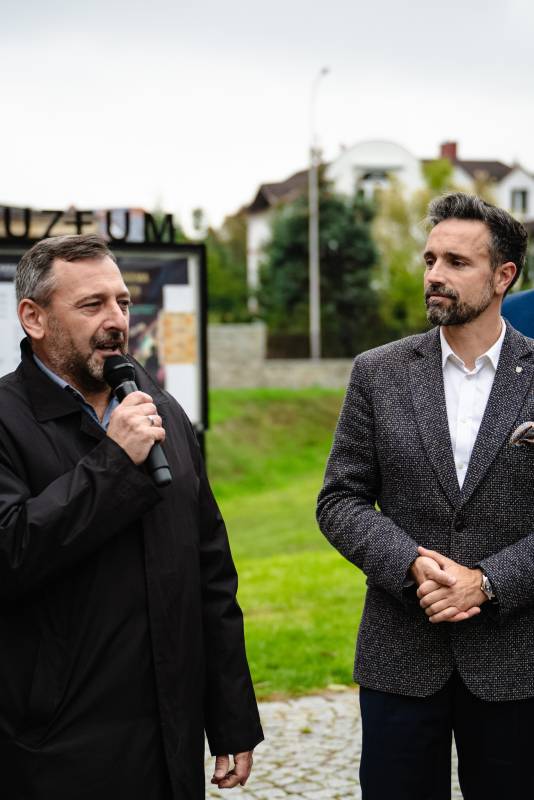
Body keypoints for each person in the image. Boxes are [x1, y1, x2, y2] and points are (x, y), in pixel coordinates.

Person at [0, 234, 263, 799]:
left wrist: (231, 714)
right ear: (33, 318)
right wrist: (113, 463)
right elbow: (10, 552)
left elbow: (211, 572)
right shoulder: (5, 420)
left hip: (168, 738)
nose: (116, 320)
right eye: (91, 305)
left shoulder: (161, 410)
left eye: (122, 302)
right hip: (55, 745)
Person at [317, 193, 534, 799]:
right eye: (430, 259)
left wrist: (488, 582)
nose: (435, 274)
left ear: (503, 276)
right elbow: (340, 500)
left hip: (517, 662)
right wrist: (410, 565)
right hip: (401, 656)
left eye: (457, 262)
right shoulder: (378, 372)